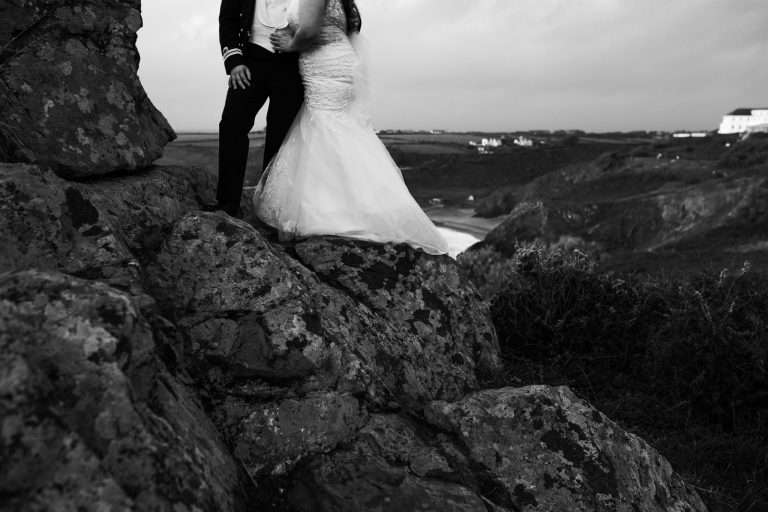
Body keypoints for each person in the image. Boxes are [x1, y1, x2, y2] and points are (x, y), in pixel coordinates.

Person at [253, 0, 449, 255]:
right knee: (340, 128)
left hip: (323, 62)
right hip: (338, 60)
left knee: (324, 126)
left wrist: (291, 44)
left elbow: (310, 30)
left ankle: (331, 210)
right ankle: (360, 204)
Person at [206, 0, 305, 217]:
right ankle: (228, 203)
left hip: (291, 66)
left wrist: (298, 42)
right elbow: (228, 20)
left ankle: (271, 209)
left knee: (280, 136)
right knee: (232, 126)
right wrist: (234, 62)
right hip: (250, 60)